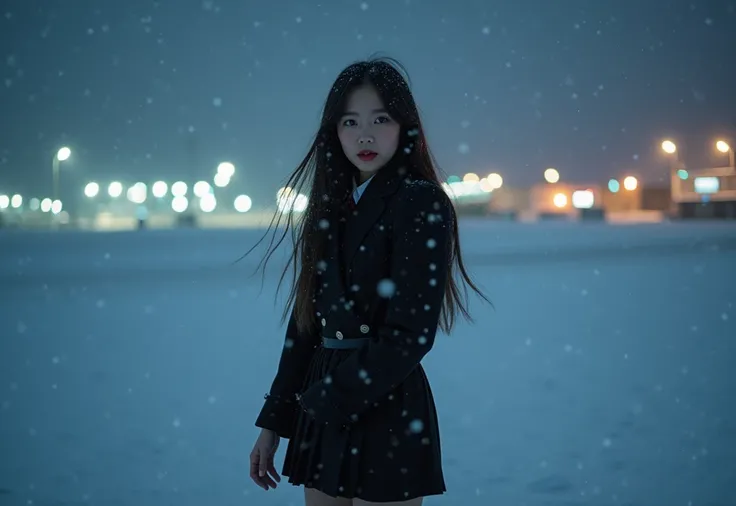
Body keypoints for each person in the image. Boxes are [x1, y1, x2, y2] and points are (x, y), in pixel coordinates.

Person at [246, 56, 489, 505]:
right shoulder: (328, 205)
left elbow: (410, 334)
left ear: (404, 126)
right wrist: (275, 420)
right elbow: (305, 324)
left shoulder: (420, 203)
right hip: (322, 393)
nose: (365, 134)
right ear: (333, 131)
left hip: (388, 400)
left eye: (381, 119)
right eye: (350, 121)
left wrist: (326, 400)